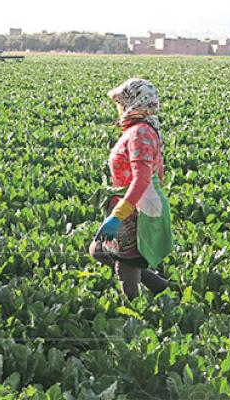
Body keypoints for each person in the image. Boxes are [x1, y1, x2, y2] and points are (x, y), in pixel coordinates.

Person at [89, 78, 173, 300]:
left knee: (125, 263)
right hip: (131, 201)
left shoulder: (140, 133)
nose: (118, 108)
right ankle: (161, 287)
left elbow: (143, 179)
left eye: (120, 102)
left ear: (134, 102)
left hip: (136, 207)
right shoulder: (142, 129)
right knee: (99, 250)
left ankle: (135, 316)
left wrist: (119, 215)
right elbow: (159, 171)